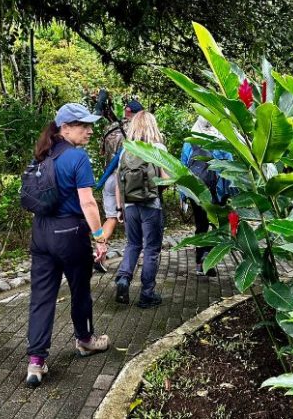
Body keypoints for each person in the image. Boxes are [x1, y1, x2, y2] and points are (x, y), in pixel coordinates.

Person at [26, 103, 111, 387]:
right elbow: (87, 202)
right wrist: (99, 236)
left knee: (41, 297)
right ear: (64, 128)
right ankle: (85, 340)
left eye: (89, 125)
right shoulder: (77, 157)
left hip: (40, 233)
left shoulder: (42, 154)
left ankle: (36, 362)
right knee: (80, 291)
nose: (89, 130)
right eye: (82, 125)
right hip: (70, 233)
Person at [114, 111, 168, 308]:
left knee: (132, 244)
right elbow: (166, 176)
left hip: (129, 207)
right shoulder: (157, 148)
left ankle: (123, 278)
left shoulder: (126, 150)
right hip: (151, 206)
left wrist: (119, 208)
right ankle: (147, 295)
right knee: (151, 250)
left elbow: (118, 181)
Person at [94, 99, 144, 272]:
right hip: (126, 180)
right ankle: (134, 259)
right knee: (134, 218)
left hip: (108, 177)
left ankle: (99, 253)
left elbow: (102, 152)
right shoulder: (136, 130)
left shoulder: (109, 129)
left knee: (111, 218)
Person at [180, 117, 233, 276]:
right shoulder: (220, 140)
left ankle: (200, 261)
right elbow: (230, 167)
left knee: (201, 226)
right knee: (218, 226)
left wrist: (183, 195)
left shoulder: (190, 142)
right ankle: (209, 258)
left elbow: (182, 169)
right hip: (217, 191)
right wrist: (232, 192)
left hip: (197, 192)